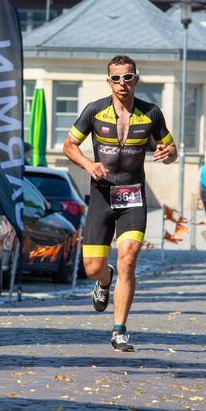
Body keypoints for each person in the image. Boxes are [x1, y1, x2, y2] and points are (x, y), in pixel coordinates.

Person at [63, 54, 177, 352]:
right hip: (101, 196)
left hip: (133, 197)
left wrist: (169, 154)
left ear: (136, 79)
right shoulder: (94, 111)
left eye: (128, 77)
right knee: (91, 268)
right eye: (116, 78)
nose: (122, 84)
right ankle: (103, 281)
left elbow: (170, 145)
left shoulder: (151, 112)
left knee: (128, 257)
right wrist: (88, 165)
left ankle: (119, 330)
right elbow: (69, 146)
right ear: (109, 81)